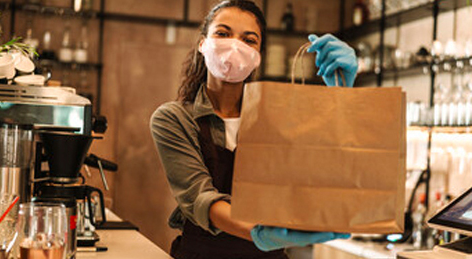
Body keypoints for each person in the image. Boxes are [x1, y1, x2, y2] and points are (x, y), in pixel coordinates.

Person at [150, 1, 358, 258]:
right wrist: (260, 231)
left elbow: (322, 169)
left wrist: (341, 97)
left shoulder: (278, 118)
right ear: (202, 44)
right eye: (223, 34)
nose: (235, 46)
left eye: (249, 40)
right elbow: (198, 197)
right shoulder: (174, 118)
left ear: (258, 56)